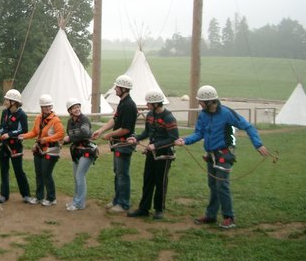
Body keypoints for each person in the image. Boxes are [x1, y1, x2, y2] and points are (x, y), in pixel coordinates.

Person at [175, 85, 269, 229]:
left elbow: (248, 126)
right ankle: (211, 215)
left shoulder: (227, 113)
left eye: (201, 101)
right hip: (211, 155)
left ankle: (229, 217)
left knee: (221, 185)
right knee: (213, 185)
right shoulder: (203, 115)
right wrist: (185, 140)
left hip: (225, 154)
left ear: (210, 101)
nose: (199, 103)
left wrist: (258, 145)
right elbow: (199, 133)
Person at [126, 89, 178, 220]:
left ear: (156, 104)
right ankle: (144, 208)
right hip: (151, 152)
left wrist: (156, 145)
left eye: (149, 103)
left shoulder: (169, 118)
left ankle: (159, 209)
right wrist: (136, 138)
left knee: (160, 181)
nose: (147, 105)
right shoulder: (150, 115)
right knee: (148, 180)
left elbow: (173, 138)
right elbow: (147, 133)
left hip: (164, 154)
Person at [92, 74, 138, 213]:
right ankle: (117, 200)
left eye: (117, 87)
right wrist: (100, 131)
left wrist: (110, 134)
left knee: (122, 174)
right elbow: (115, 120)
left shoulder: (129, 105)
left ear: (124, 89)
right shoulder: (123, 103)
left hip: (124, 145)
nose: (115, 89)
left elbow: (126, 129)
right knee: (118, 173)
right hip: (118, 144)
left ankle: (123, 203)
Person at [0, 89, 32, 204]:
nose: (5, 101)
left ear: (13, 102)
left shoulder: (22, 115)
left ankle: (26, 194)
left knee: (18, 171)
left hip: (15, 147)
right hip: (3, 146)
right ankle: (4, 195)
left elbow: (23, 130)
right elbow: (2, 127)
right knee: (4, 170)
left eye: (7, 99)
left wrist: (10, 135)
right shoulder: (5, 112)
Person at [19, 94, 64, 206]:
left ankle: (51, 198)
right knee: (38, 173)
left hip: (51, 150)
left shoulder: (55, 120)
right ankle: (39, 197)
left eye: (49, 106)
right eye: (45, 106)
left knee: (46, 174)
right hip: (39, 149)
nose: (47, 108)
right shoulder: (39, 118)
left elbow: (61, 134)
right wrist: (24, 136)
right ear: (41, 108)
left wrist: (47, 139)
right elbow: (35, 132)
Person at [62, 98, 97, 211]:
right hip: (77, 151)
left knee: (79, 176)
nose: (77, 109)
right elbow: (72, 136)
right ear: (70, 110)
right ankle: (76, 200)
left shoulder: (84, 119)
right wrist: (64, 141)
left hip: (87, 150)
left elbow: (85, 133)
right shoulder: (70, 122)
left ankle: (79, 203)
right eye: (74, 108)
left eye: (78, 107)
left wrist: (70, 138)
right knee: (76, 177)